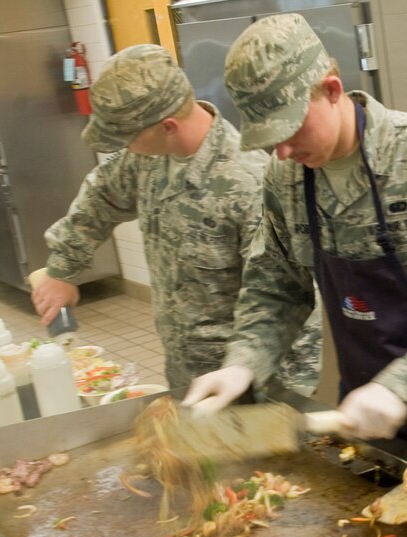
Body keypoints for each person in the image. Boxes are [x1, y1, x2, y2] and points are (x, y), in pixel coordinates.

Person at [182, 13, 407, 449]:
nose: (281, 151)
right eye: (269, 139)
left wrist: (401, 388)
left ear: (332, 90)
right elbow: (275, 288)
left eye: (290, 129)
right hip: (360, 424)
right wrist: (243, 363)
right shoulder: (285, 177)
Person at [32, 44, 321, 394]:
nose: (123, 147)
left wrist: (289, 404)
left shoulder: (246, 186)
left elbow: (290, 305)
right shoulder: (148, 158)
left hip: (246, 385)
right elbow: (102, 194)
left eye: (128, 138)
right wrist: (63, 267)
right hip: (184, 373)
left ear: (167, 125)